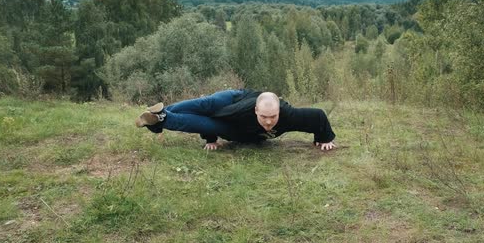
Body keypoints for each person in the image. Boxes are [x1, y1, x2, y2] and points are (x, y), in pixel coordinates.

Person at [135, 89, 336, 151]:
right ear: (256, 110)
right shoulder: (241, 111)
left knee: (204, 123)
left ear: (279, 112)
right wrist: (210, 139)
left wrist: (324, 137)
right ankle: (161, 116)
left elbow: (316, 115)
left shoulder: (289, 115)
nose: (268, 122)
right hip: (232, 100)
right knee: (206, 105)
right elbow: (211, 115)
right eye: (264, 117)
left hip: (238, 132)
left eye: (273, 117)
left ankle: (160, 118)